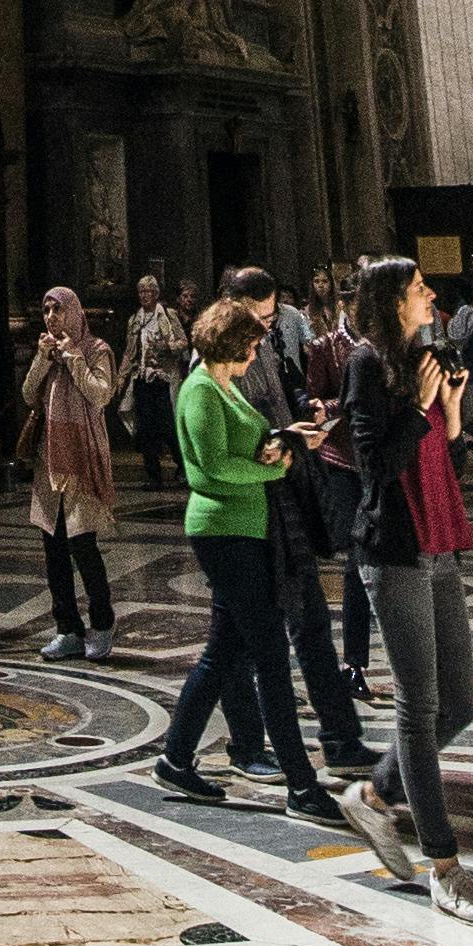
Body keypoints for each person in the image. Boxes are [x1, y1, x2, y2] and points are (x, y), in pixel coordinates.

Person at [343, 256, 473, 920]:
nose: (431, 294)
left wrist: (451, 410)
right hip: (395, 547)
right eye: (417, 288)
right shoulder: (366, 366)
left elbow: (445, 453)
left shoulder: (429, 358)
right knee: (418, 704)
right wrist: (421, 407)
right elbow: (375, 466)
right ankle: (445, 866)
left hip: (439, 538)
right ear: (391, 302)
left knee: (457, 707)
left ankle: (374, 796)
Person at [155, 294, 340, 818]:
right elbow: (208, 472)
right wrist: (274, 469)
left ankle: (174, 759)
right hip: (225, 532)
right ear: (233, 342)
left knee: (222, 653)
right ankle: (302, 787)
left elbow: (248, 447)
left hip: (248, 529)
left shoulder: (225, 387)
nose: (258, 349)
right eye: (254, 341)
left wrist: (284, 437)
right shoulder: (199, 391)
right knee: (270, 657)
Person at [224, 263, 372, 776]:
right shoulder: (217, 363)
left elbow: (275, 409)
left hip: (285, 491)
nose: (265, 327)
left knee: (310, 620)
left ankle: (340, 737)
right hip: (245, 513)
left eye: (270, 317)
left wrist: (298, 428)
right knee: (238, 637)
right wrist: (285, 437)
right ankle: (244, 745)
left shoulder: (261, 345)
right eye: (257, 316)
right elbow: (224, 451)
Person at [19, 282, 119, 658]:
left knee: (84, 547)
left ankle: (103, 624)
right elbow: (29, 395)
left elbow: (100, 394)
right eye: (46, 310)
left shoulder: (97, 350)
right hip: (50, 464)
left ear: (73, 313)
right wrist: (42, 359)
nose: (50, 317)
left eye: (57, 310)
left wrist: (74, 356)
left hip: (82, 460)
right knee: (54, 550)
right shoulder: (47, 354)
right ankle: (67, 629)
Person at [125, 273, 188, 483]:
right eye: (141, 291)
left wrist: (166, 347)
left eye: (148, 291)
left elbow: (183, 342)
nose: (144, 295)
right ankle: (153, 475)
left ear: (156, 293)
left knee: (168, 427)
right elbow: (129, 351)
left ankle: (183, 467)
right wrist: (121, 376)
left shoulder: (167, 315)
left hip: (163, 379)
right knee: (145, 430)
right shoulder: (135, 320)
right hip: (142, 378)